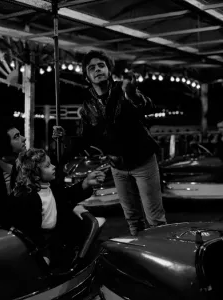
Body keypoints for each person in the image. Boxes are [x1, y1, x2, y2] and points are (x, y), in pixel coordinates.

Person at [53, 50, 166, 236]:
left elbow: (147, 107)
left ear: (108, 70)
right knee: (132, 218)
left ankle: (161, 255)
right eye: (92, 68)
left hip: (143, 162)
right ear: (87, 77)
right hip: (118, 166)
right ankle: (140, 256)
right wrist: (63, 138)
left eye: (101, 66)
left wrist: (132, 94)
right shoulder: (88, 106)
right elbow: (84, 139)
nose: (98, 70)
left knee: (154, 218)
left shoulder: (124, 91)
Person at [5, 148, 106, 266]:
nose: (53, 166)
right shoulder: (26, 197)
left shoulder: (49, 187)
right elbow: (29, 232)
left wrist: (86, 183)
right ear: (35, 173)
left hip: (53, 239)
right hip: (38, 244)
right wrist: (44, 253)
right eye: (47, 166)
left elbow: (66, 195)